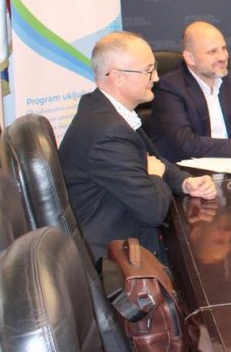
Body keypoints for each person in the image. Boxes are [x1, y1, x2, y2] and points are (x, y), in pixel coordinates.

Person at [60, 32, 218, 264]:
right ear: (117, 77)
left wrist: (185, 182)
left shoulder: (106, 111)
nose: (156, 78)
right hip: (114, 259)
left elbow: (153, 159)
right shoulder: (107, 132)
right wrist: (155, 176)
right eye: (148, 71)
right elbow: (153, 211)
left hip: (125, 236)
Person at [150, 21, 231, 162]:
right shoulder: (168, 87)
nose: (223, 57)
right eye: (212, 52)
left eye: (224, 48)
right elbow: (187, 143)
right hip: (187, 170)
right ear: (190, 58)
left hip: (230, 166)